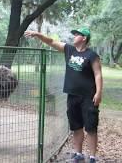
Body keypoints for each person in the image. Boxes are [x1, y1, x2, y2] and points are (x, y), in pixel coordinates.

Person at [24, 27, 103, 163]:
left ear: (84, 38)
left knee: (90, 127)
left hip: (88, 97)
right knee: (76, 126)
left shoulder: (92, 55)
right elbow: (51, 42)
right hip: (72, 96)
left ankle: (92, 157)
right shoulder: (69, 50)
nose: (74, 36)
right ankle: (78, 154)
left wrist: (99, 92)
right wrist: (37, 34)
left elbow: (98, 74)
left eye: (77, 34)